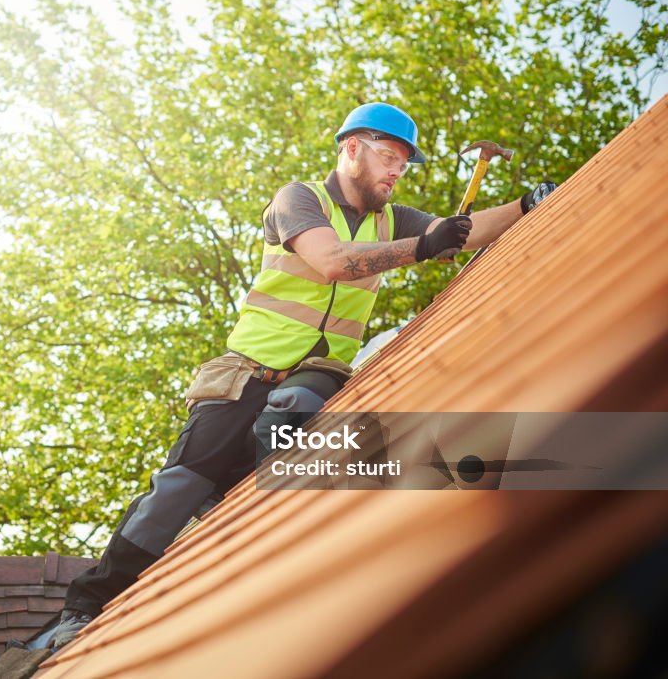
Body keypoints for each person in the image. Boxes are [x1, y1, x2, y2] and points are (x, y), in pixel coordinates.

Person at [49, 102, 557, 648]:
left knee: (288, 417)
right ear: (351, 149)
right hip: (242, 374)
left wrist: (526, 205)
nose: (395, 172)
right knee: (174, 489)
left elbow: (462, 231)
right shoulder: (299, 200)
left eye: (403, 165)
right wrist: (424, 246)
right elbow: (333, 260)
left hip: (316, 374)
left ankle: (228, 499)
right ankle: (86, 606)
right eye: (388, 157)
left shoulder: (396, 217)